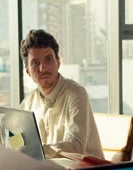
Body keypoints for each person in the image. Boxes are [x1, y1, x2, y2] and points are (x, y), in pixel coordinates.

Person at [19, 29, 103, 159]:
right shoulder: (28, 103)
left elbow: (76, 146)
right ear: (28, 71)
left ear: (58, 62)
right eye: (35, 63)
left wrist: (37, 150)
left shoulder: (76, 94)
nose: (43, 68)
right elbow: (17, 140)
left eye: (48, 60)